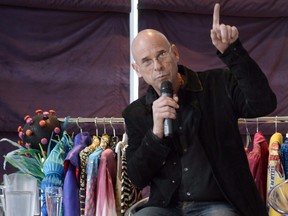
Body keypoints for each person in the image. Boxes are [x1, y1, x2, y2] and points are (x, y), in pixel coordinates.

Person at [122, 3, 276, 216]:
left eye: (161, 55)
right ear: (137, 70)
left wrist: (233, 52)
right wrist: (155, 134)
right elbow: (137, 178)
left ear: (175, 53)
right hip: (166, 207)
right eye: (146, 62)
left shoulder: (217, 84)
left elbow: (264, 103)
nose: (157, 66)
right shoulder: (135, 113)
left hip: (217, 203)